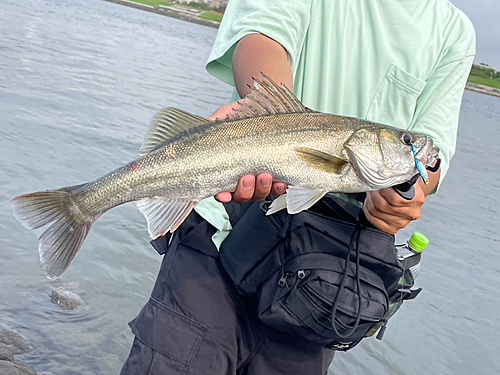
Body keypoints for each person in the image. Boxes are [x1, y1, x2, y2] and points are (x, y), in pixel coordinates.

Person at [120, 0, 475, 374]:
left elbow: (431, 155)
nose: (411, 148)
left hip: (326, 277)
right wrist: (271, 124)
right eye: (404, 141)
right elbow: (261, 35)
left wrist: (410, 191)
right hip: (223, 234)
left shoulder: (453, 31)